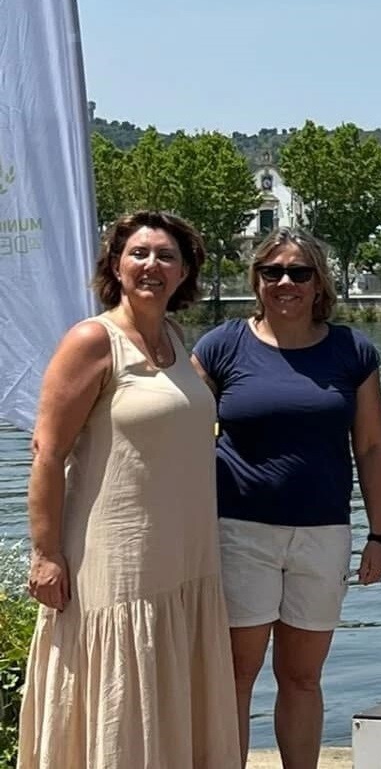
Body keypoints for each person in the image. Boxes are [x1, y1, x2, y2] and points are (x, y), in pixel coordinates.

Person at [20, 211, 241, 768]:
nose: (152, 266)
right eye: (138, 254)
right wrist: (45, 555)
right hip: (119, 562)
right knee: (121, 689)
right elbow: (47, 451)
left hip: (185, 559)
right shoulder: (93, 340)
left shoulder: (173, 337)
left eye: (167, 256)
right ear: (115, 266)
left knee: (173, 687)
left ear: (185, 271)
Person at [191, 229, 381, 768]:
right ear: (255, 280)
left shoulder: (352, 350)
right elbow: (178, 430)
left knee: (302, 677)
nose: (285, 282)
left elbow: (371, 447)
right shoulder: (220, 345)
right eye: (272, 272)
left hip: (323, 535)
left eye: (299, 272)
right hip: (238, 532)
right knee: (235, 674)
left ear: (318, 281)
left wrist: (379, 534)